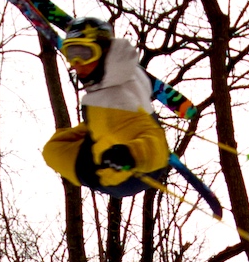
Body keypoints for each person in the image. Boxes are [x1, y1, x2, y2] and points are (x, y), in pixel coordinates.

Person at [40, 20, 175, 198]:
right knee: (54, 149)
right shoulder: (109, 82)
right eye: (71, 55)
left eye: (85, 54)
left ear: (105, 52)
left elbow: (156, 143)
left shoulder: (120, 101)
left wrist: (129, 155)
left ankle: (97, 133)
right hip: (109, 145)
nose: (77, 64)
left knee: (54, 151)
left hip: (126, 176)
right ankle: (93, 130)